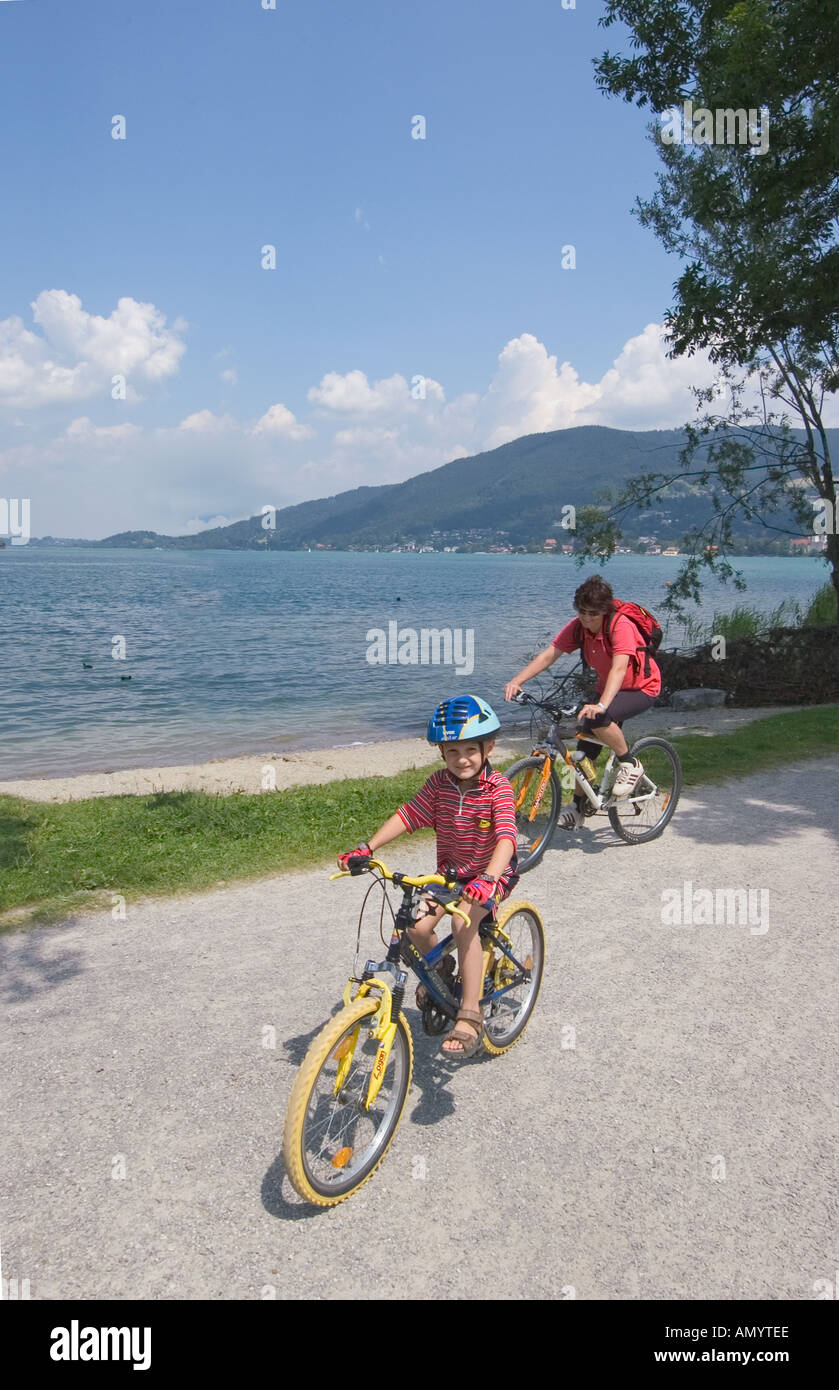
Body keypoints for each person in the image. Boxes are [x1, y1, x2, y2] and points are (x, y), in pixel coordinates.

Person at [337, 695, 518, 1059]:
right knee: (415, 928)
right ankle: (441, 972)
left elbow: (506, 840)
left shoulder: (497, 788)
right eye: (452, 751)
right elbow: (407, 816)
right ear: (441, 753)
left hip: (491, 875)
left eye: (470, 749)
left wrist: (488, 878)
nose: (462, 759)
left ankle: (469, 1013)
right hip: (449, 875)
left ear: (489, 747)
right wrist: (367, 847)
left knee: (463, 925)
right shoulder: (439, 785)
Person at [504, 575, 662, 829]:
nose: (587, 618)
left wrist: (601, 705)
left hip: (642, 688)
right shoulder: (578, 627)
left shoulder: (620, 625)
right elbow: (549, 655)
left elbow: (619, 668)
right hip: (610, 690)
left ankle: (631, 764)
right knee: (583, 749)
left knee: (598, 718)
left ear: (605, 610)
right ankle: (578, 807)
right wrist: (517, 680)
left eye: (593, 613)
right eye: (582, 612)